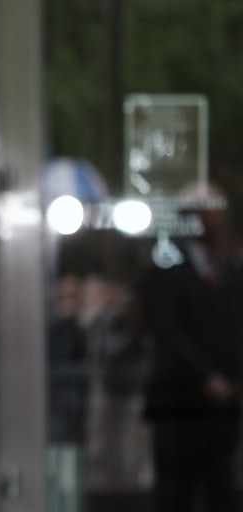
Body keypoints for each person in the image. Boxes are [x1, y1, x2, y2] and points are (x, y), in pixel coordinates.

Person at [140, 185, 243, 512]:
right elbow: (166, 330)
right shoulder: (167, 266)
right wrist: (205, 376)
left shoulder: (227, 268)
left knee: (222, 490)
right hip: (179, 405)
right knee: (176, 494)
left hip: (222, 408)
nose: (218, 221)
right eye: (209, 213)